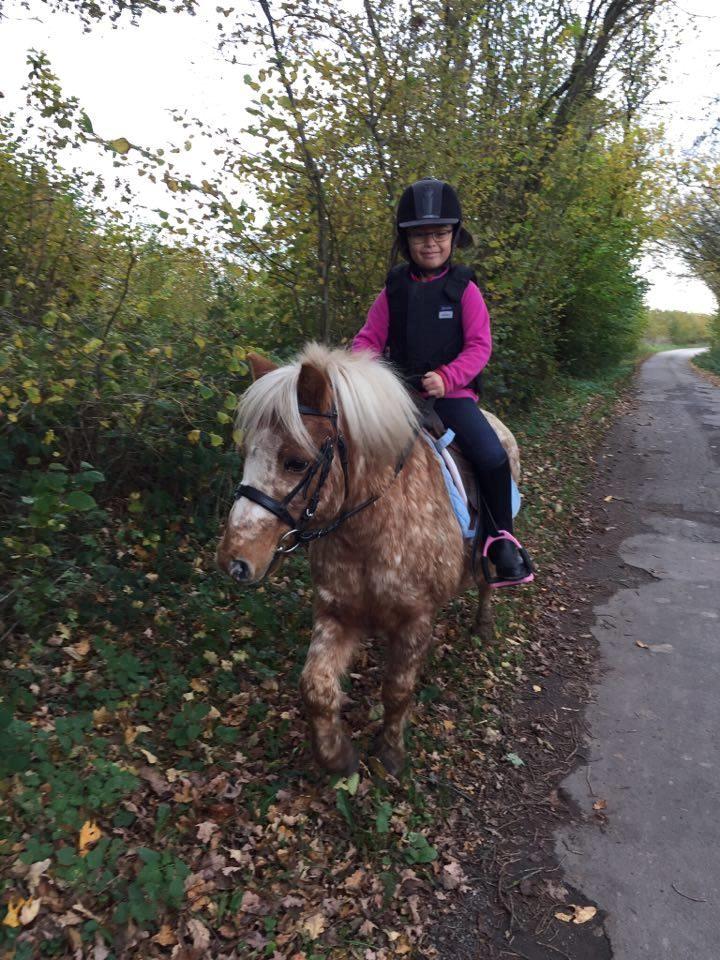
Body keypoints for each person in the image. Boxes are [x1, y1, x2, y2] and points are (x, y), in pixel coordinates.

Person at [351, 177, 534, 587]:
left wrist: (447, 377)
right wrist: (359, 373)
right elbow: (368, 339)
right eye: (419, 235)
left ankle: (500, 540)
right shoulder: (393, 290)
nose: (430, 243)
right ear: (406, 240)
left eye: (439, 233)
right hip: (397, 398)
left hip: (451, 397)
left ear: (453, 236)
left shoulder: (464, 290)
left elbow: (478, 346)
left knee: (491, 455)